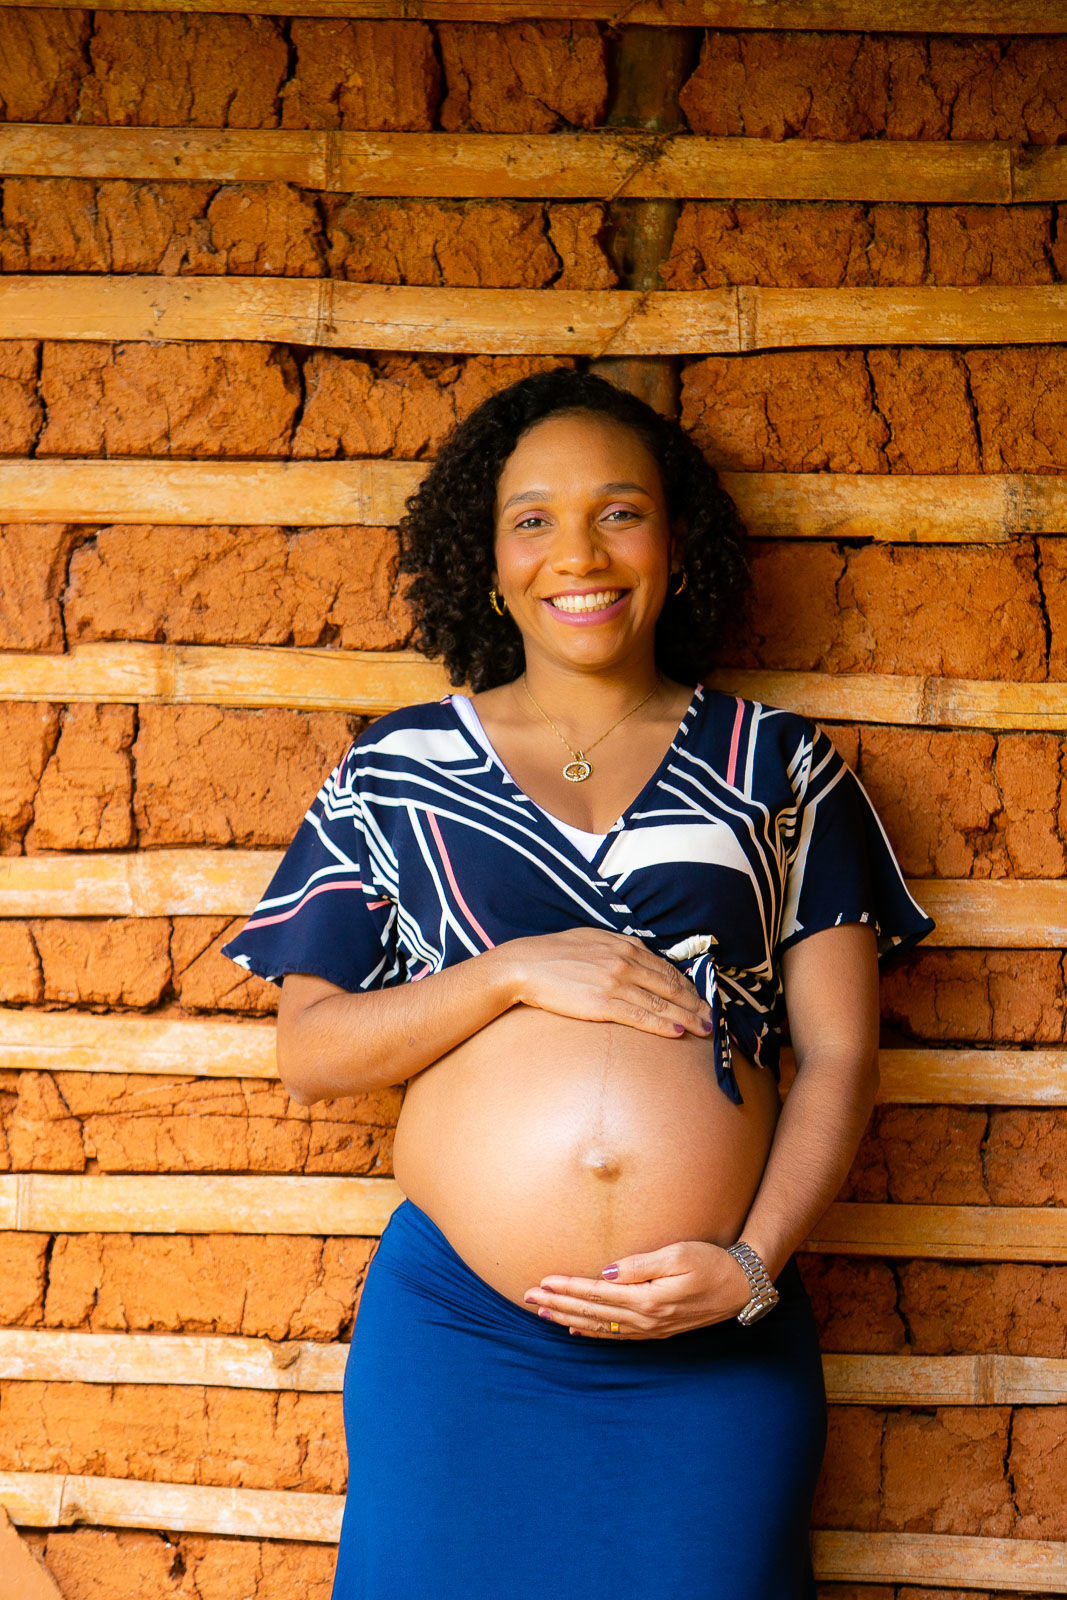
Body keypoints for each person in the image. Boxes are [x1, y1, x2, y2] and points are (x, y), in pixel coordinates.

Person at [222, 367, 935, 1598]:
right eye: (532, 519)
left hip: (714, 1335)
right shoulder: (400, 765)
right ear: (486, 558)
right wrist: (506, 973)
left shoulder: (777, 763)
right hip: (462, 1336)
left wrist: (752, 1267)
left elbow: (837, 1056)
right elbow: (312, 1052)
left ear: (675, 538)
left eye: (619, 510)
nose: (578, 553)